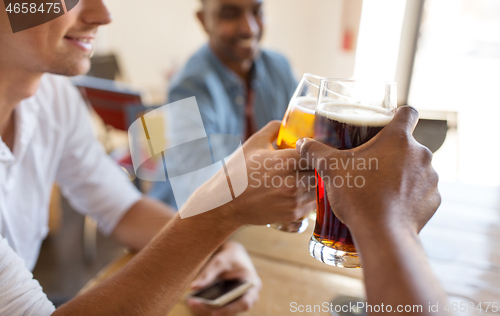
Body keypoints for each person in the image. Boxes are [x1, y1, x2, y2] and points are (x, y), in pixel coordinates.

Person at [0, 0, 312, 315]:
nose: (104, 16)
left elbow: (122, 207)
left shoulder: (54, 97)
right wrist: (217, 219)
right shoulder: (190, 84)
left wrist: (220, 247)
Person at [149, 0, 298, 209]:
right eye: (230, 14)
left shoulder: (280, 68)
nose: (249, 28)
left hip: (256, 215)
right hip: (186, 219)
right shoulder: (188, 87)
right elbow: (207, 188)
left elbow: (310, 140)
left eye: (257, 11)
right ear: (203, 20)